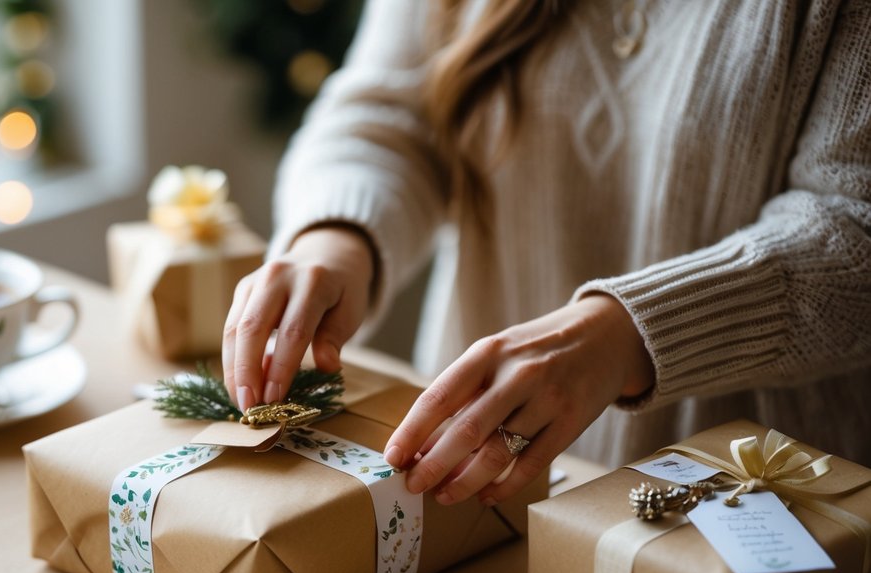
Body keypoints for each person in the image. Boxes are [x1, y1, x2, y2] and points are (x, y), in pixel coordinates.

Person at [221, 0, 871, 507]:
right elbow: (387, 113)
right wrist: (337, 238)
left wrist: (625, 335)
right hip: (467, 475)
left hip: (752, 503)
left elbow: (854, 228)